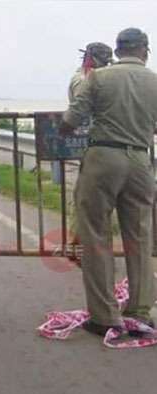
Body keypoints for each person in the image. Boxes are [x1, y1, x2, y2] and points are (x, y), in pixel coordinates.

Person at [59, 28, 157, 337]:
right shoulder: (155, 81)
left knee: (96, 235)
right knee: (140, 236)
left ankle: (104, 316)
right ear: (145, 51)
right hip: (141, 160)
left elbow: (71, 120)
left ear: (117, 51)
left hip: (104, 157)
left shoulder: (99, 78)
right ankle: (141, 313)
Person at [66, 42, 113, 261]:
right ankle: (78, 246)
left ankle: (83, 246)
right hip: (92, 145)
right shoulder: (82, 80)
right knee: (85, 200)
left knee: (90, 201)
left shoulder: (94, 78)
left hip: (99, 145)